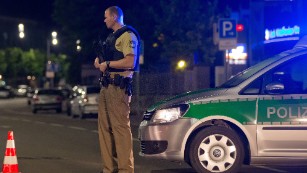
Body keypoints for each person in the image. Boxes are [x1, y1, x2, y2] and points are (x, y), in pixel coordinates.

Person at [94, 6, 140, 173]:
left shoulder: (128, 35)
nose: (104, 20)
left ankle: (125, 170)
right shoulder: (111, 38)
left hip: (118, 87)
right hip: (106, 86)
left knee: (120, 128)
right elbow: (109, 58)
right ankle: (109, 169)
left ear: (114, 16)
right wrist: (100, 62)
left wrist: (108, 64)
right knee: (104, 129)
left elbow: (130, 62)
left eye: (106, 16)